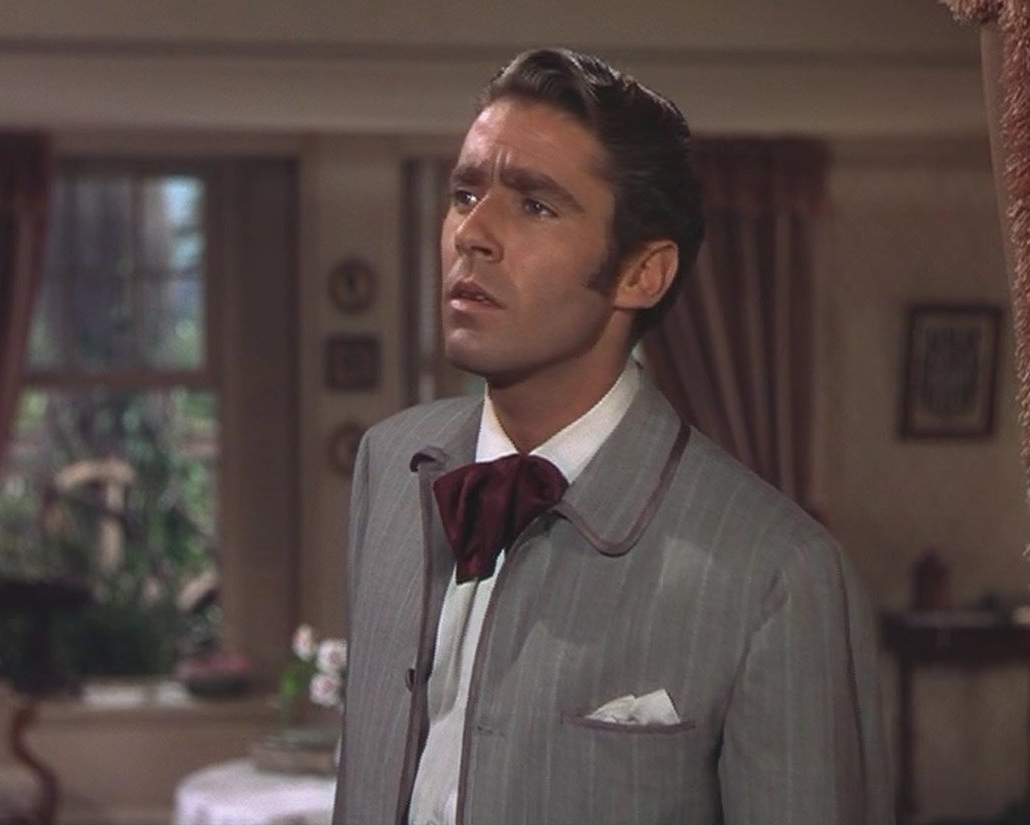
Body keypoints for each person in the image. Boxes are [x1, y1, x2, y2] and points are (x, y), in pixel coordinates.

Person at [333, 47, 892, 825]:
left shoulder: (778, 573)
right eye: (464, 193)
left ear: (641, 274)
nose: (473, 232)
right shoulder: (391, 466)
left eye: (535, 205)